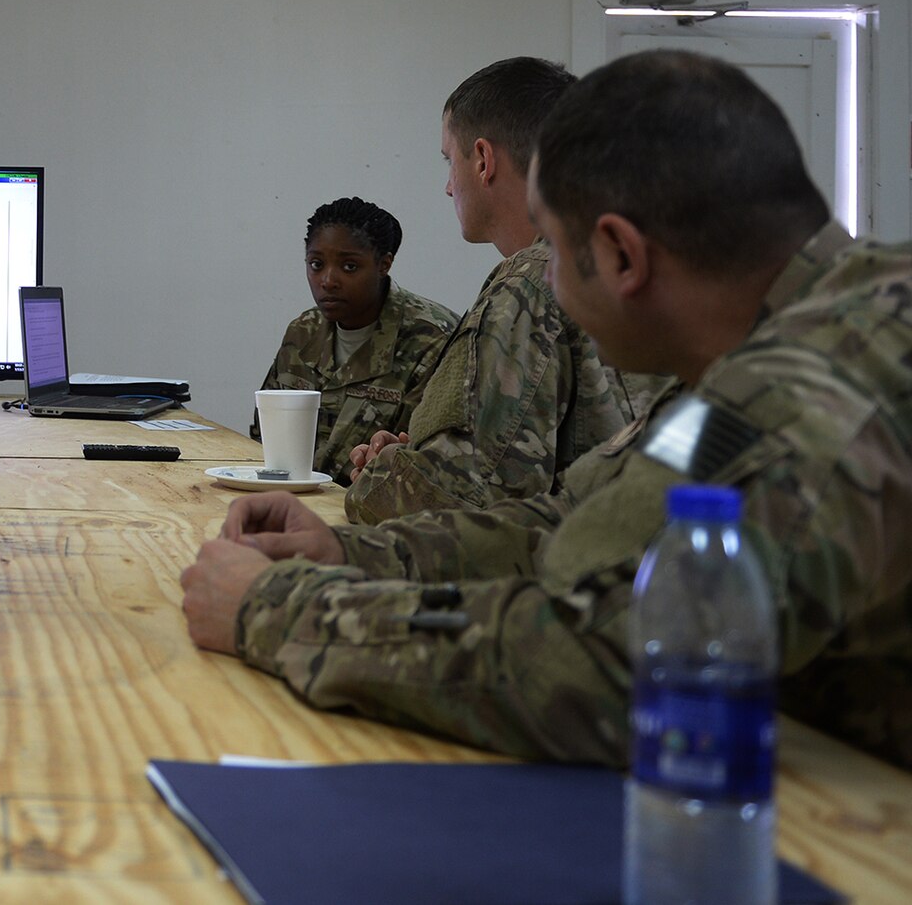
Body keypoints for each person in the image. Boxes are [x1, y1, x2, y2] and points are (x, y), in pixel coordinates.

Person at [180, 50, 912, 769]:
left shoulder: (816, 390)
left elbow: (624, 664)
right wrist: (351, 554)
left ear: (621, 256)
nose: (546, 285)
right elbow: (577, 519)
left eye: (553, 251)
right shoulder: (770, 348)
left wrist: (278, 610)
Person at [342, 56, 646, 524]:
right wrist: (421, 455)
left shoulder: (531, 284)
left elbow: (461, 508)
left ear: (483, 160)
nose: (447, 187)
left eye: (450, 160)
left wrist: (381, 478)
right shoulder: (638, 262)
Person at [256, 198, 457, 483]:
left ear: (384, 264)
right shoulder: (303, 332)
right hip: (295, 503)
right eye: (316, 264)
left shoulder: (433, 340)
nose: (327, 280)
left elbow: (433, 459)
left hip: (378, 515)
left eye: (349, 267)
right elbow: (263, 435)